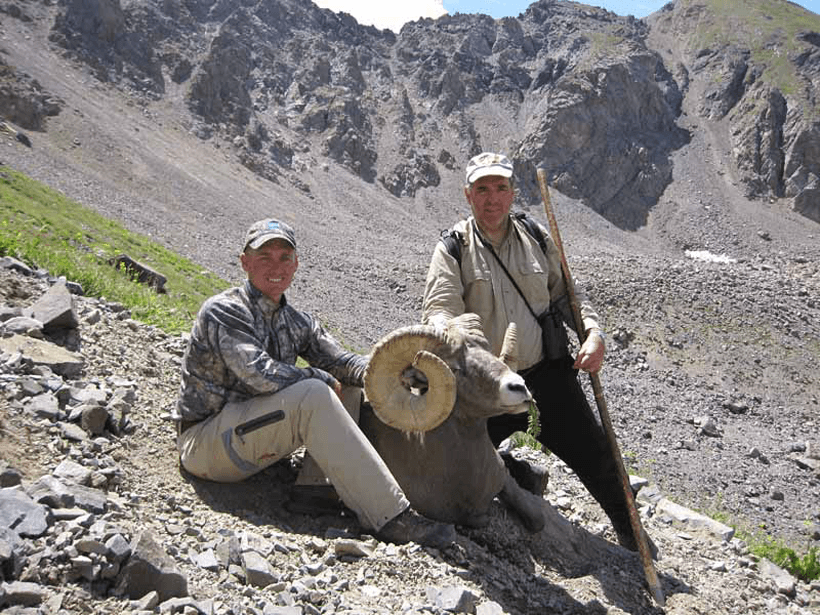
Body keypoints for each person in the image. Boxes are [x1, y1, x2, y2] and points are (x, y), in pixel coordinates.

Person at [174, 218, 455, 550]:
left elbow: (345, 363)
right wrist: (320, 376)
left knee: (348, 385)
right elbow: (259, 374)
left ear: (296, 265)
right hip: (205, 447)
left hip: (244, 439)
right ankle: (392, 516)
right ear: (244, 262)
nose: (275, 266)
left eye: (284, 257)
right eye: (264, 257)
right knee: (316, 390)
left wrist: (403, 373)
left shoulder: (297, 322)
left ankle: (315, 490)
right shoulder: (224, 311)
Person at [422, 152, 653, 554]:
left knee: (597, 457)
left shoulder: (536, 236)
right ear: (467, 195)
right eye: (482, 190)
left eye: (500, 188)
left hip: (545, 375)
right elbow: (438, 308)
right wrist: (449, 327)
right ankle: (516, 474)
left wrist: (593, 333)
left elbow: (567, 296)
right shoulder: (453, 248)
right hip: (485, 386)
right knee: (455, 466)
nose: (492, 198)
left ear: (513, 193)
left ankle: (631, 532)